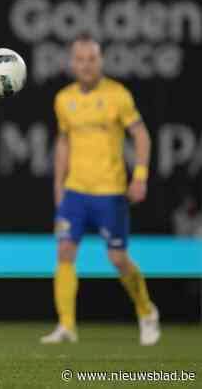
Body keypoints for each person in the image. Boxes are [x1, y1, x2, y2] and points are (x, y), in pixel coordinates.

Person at [40, 35, 160, 346]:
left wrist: (141, 176)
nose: (86, 65)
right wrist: (58, 185)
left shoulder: (118, 95)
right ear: (72, 62)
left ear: (101, 61)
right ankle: (66, 326)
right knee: (65, 251)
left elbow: (142, 137)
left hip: (110, 191)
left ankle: (146, 311)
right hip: (75, 192)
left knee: (118, 258)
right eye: (80, 59)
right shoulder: (64, 99)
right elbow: (63, 142)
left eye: (91, 59)